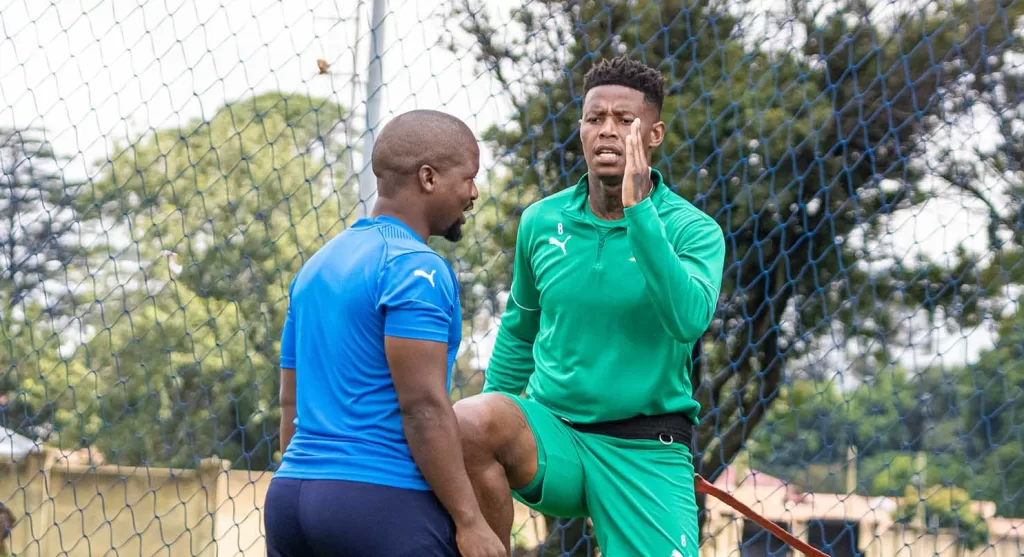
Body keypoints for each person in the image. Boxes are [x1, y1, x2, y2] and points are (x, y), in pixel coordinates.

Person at [454, 56, 727, 557]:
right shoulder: (541, 221)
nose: (608, 131)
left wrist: (640, 211)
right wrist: (494, 419)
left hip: (645, 448)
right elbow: (518, 332)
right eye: (594, 118)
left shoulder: (694, 231)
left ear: (654, 135)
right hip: (553, 435)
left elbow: (686, 319)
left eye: (625, 121)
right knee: (467, 424)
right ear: (580, 129)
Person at [264, 109, 506, 557]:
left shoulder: (317, 267)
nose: (473, 193)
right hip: (379, 502)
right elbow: (423, 409)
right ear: (428, 177)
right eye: (468, 178)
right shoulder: (415, 268)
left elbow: (290, 405)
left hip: (290, 499)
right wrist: (470, 521)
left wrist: (316, 488)